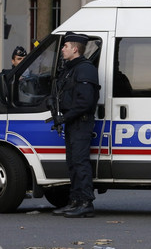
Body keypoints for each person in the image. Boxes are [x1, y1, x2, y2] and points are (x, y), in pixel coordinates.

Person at [51, 32, 100, 218]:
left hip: (80, 122)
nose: (62, 49)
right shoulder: (71, 68)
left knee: (80, 163)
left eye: (65, 46)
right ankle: (75, 201)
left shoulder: (85, 69)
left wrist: (65, 117)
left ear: (75, 49)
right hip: (73, 122)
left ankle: (86, 203)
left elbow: (85, 102)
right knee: (72, 163)